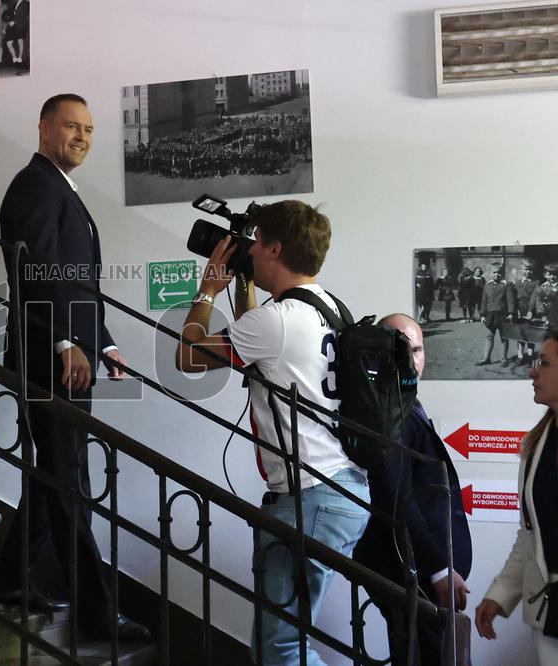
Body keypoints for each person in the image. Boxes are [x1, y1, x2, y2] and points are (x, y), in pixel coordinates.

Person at [176, 200, 370, 665]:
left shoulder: (277, 320)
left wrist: (206, 292)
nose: (251, 251)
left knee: (280, 648)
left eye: (256, 242)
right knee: (283, 643)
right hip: (341, 488)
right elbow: (259, 348)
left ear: (275, 248)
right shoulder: (328, 307)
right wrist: (244, 288)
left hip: (311, 496)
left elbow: (188, 356)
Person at [0, 94, 149, 642]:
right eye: (71, 126)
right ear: (43, 127)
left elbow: (76, 282)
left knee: (59, 475)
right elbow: (34, 272)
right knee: (67, 480)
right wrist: (63, 341)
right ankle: (95, 611)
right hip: (46, 355)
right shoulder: (35, 184)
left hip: (67, 355)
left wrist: (101, 343)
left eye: (88, 129)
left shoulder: (61, 187)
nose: (81, 136)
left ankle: (8, 581)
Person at [353, 313, 472, 665]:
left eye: (417, 349)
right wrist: (437, 568)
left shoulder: (406, 403)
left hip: (427, 575)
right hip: (412, 570)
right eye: (400, 350)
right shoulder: (386, 413)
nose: (411, 359)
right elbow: (396, 496)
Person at [476, 330, 558, 662]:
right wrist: (501, 594)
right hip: (548, 611)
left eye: (545, 363)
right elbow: (530, 536)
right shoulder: (538, 444)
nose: (531, 371)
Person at [477, 263, 516, 367]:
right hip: (490, 315)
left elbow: (510, 300)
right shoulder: (487, 285)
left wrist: (511, 313)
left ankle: (504, 358)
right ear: (490, 273)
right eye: (494, 272)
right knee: (489, 336)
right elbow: (484, 301)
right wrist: (482, 314)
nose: (496, 275)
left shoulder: (507, 284)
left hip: (503, 315)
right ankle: (486, 358)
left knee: (504, 337)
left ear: (502, 273)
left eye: (499, 273)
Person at [512, 260, 543, 366]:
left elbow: (534, 297)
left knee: (531, 334)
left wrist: (530, 311)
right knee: (520, 335)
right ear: (521, 270)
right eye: (526, 269)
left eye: (530, 270)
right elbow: (514, 298)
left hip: (531, 312)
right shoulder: (517, 282)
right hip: (519, 311)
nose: (528, 272)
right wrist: (515, 310)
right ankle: (520, 355)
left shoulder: (536, 282)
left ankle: (530, 356)